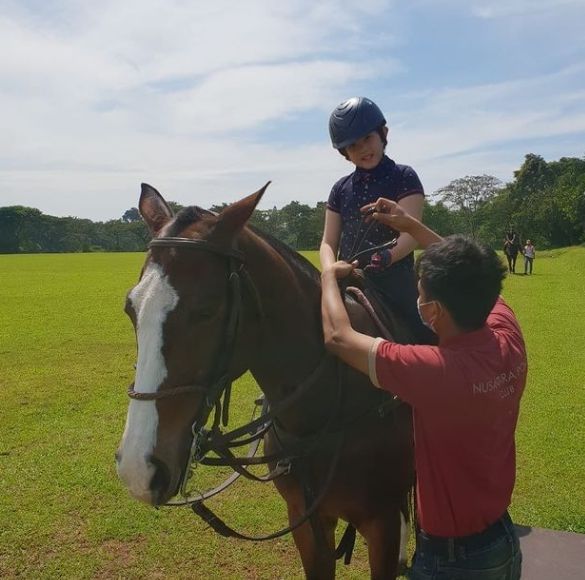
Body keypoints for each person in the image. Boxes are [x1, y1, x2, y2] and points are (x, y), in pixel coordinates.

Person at [321, 198, 525, 579]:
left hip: (452, 561)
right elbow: (471, 271)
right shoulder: (506, 334)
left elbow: (338, 336)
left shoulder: (434, 371)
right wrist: (411, 227)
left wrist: (328, 277)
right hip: (502, 541)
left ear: (432, 312)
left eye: (421, 293)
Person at [320, 96, 434, 344]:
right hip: (347, 275)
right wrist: (330, 270)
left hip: (394, 276)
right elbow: (328, 241)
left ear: (383, 133)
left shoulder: (403, 176)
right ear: (345, 153)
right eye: (353, 145)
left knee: (425, 329)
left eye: (368, 138)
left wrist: (389, 256)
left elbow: (411, 232)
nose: (363, 149)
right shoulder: (340, 189)